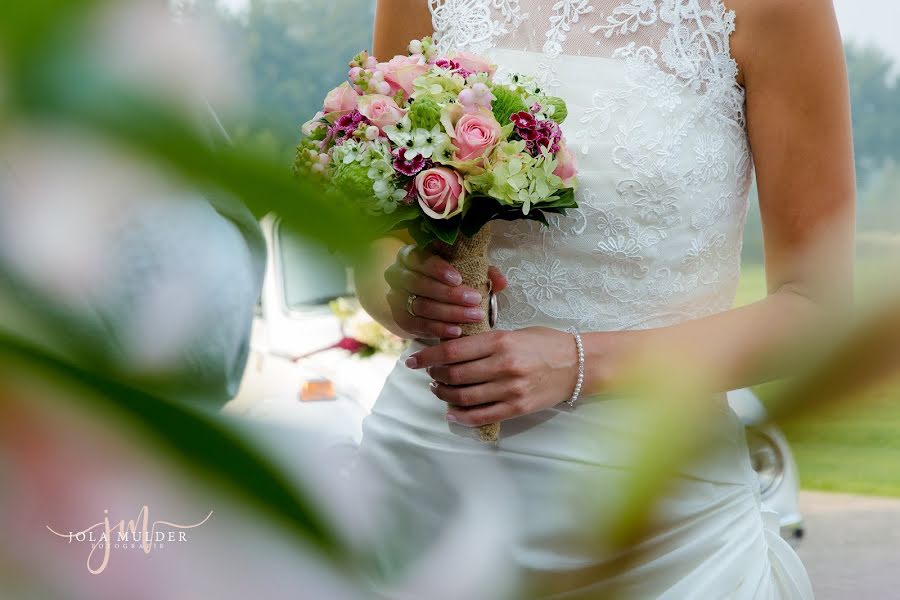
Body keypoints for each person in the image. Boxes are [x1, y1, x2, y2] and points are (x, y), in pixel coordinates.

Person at [355, 0, 854, 597]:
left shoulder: (775, 11)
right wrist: (401, 288)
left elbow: (815, 309)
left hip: (657, 529)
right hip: (425, 491)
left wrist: (579, 361)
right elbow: (372, 236)